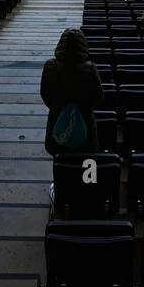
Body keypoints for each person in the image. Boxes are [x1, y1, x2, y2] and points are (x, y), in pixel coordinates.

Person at [41, 29, 104, 199]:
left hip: (57, 120)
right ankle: (87, 189)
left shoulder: (50, 66)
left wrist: (57, 108)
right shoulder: (90, 69)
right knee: (87, 158)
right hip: (84, 121)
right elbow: (98, 97)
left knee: (60, 157)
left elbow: (45, 95)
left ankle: (61, 188)